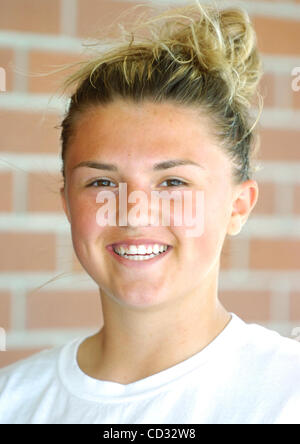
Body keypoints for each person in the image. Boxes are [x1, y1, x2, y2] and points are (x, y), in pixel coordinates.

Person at [0, 0, 299, 424]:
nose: (134, 214)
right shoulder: (12, 401)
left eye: (173, 183)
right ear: (68, 203)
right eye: (101, 183)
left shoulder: (288, 393)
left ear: (238, 206)